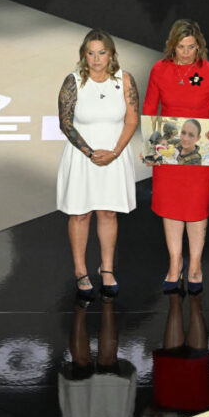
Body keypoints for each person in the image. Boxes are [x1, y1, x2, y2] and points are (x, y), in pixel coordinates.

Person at [143, 19, 209, 294]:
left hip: (199, 151)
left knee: (195, 208)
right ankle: (174, 263)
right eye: (181, 47)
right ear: (173, 46)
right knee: (170, 208)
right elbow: (149, 107)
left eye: (191, 47)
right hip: (169, 150)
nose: (186, 52)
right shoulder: (160, 70)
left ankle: (194, 265)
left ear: (199, 47)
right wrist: (149, 146)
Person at [57, 29, 139, 300]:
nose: (96, 58)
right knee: (80, 214)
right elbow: (65, 123)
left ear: (111, 54)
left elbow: (131, 120)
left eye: (101, 53)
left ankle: (107, 269)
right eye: (90, 53)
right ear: (84, 55)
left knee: (108, 213)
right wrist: (90, 152)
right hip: (83, 158)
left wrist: (115, 152)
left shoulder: (125, 80)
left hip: (114, 156)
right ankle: (80, 271)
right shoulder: (72, 82)